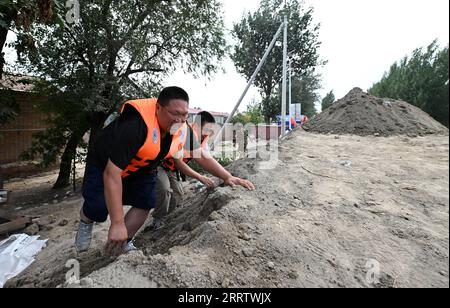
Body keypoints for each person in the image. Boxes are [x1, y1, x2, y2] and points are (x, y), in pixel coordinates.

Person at [75, 86, 190, 256]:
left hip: (140, 166)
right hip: (105, 164)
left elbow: (202, 155)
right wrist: (117, 223)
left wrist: (227, 176)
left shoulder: (180, 127)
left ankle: (122, 243)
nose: (179, 120)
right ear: (159, 108)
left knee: (146, 200)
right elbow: (111, 173)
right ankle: (86, 219)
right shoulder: (135, 125)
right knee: (98, 208)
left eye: (184, 115)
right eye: (175, 113)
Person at [148, 111, 255, 231]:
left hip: (172, 169)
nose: (209, 133)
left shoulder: (201, 140)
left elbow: (206, 158)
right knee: (164, 189)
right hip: (160, 165)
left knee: (178, 195)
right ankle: (157, 220)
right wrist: (200, 177)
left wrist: (226, 176)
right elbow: (179, 163)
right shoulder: (184, 133)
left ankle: (166, 219)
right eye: (207, 129)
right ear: (197, 125)